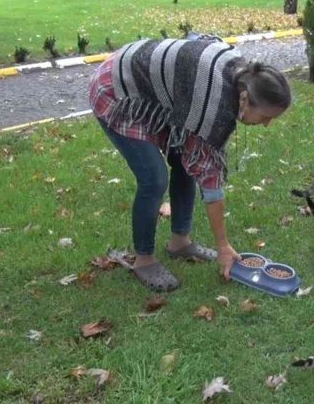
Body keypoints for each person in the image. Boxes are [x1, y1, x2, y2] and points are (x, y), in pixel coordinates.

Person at [88, 37, 292, 292]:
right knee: (154, 178)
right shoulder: (211, 103)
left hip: (149, 86)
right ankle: (144, 260)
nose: (266, 124)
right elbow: (210, 179)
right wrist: (223, 245)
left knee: (184, 161)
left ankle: (179, 242)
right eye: (265, 116)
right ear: (244, 97)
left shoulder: (241, 75)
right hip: (117, 90)